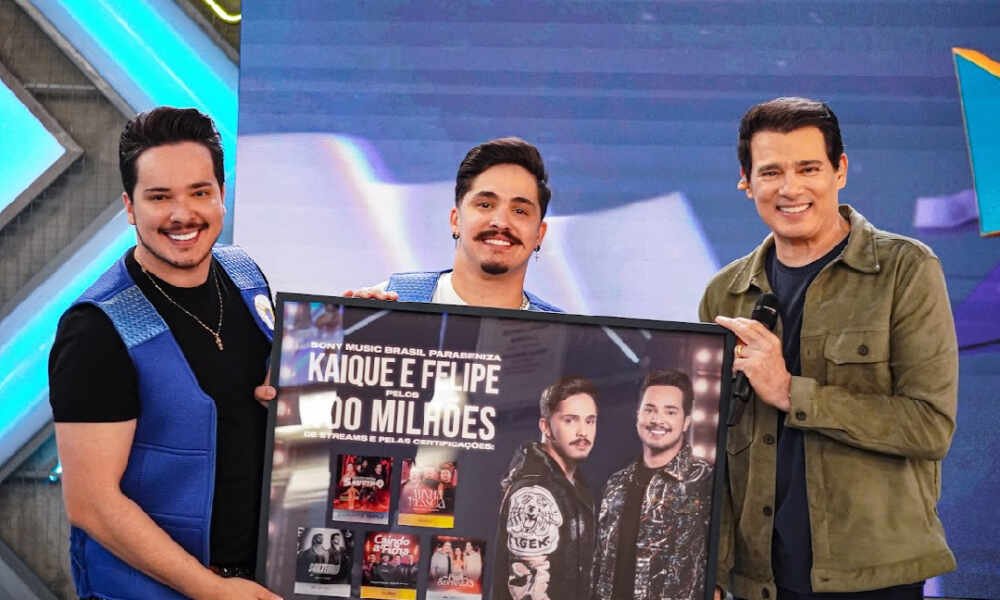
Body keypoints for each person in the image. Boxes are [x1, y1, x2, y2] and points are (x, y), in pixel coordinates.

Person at [700, 97, 958, 600]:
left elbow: (929, 426)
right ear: (746, 182)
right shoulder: (724, 294)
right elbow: (712, 453)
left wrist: (789, 392)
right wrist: (711, 567)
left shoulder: (906, 270)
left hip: (875, 577)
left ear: (840, 170)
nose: (790, 188)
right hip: (759, 582)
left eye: (808, 168)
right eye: (771, 172)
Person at [48, 107, 280, 599]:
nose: (182, 214)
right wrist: (212, 590)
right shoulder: (96, 328)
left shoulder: (244, 275)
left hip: (256, 580)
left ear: (221, 195)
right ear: (130, 207)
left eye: (199, 192)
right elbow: (92, 504)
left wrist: (365, 324)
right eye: (159, 197)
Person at [345, 137, 560, 311]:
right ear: (455, 221)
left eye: (520, 211)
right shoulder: (390, 303)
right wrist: (348, 331)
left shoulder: (564, 337)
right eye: (485, 205)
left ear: (539, 235)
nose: (501, 222)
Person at [592, 369, 714, 600]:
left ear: (686, 421)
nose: (657, 419)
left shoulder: (704, 480)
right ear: (638, 415)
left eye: (670, 411)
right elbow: (599, 562)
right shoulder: (616, 483)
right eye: (650, 409)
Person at [494, 376, 599, 600]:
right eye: (570, 420)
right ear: (546, 427)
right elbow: (527, 589)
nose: (583, 431)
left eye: (590, 421)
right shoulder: (535, 491)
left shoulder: (573, 484)